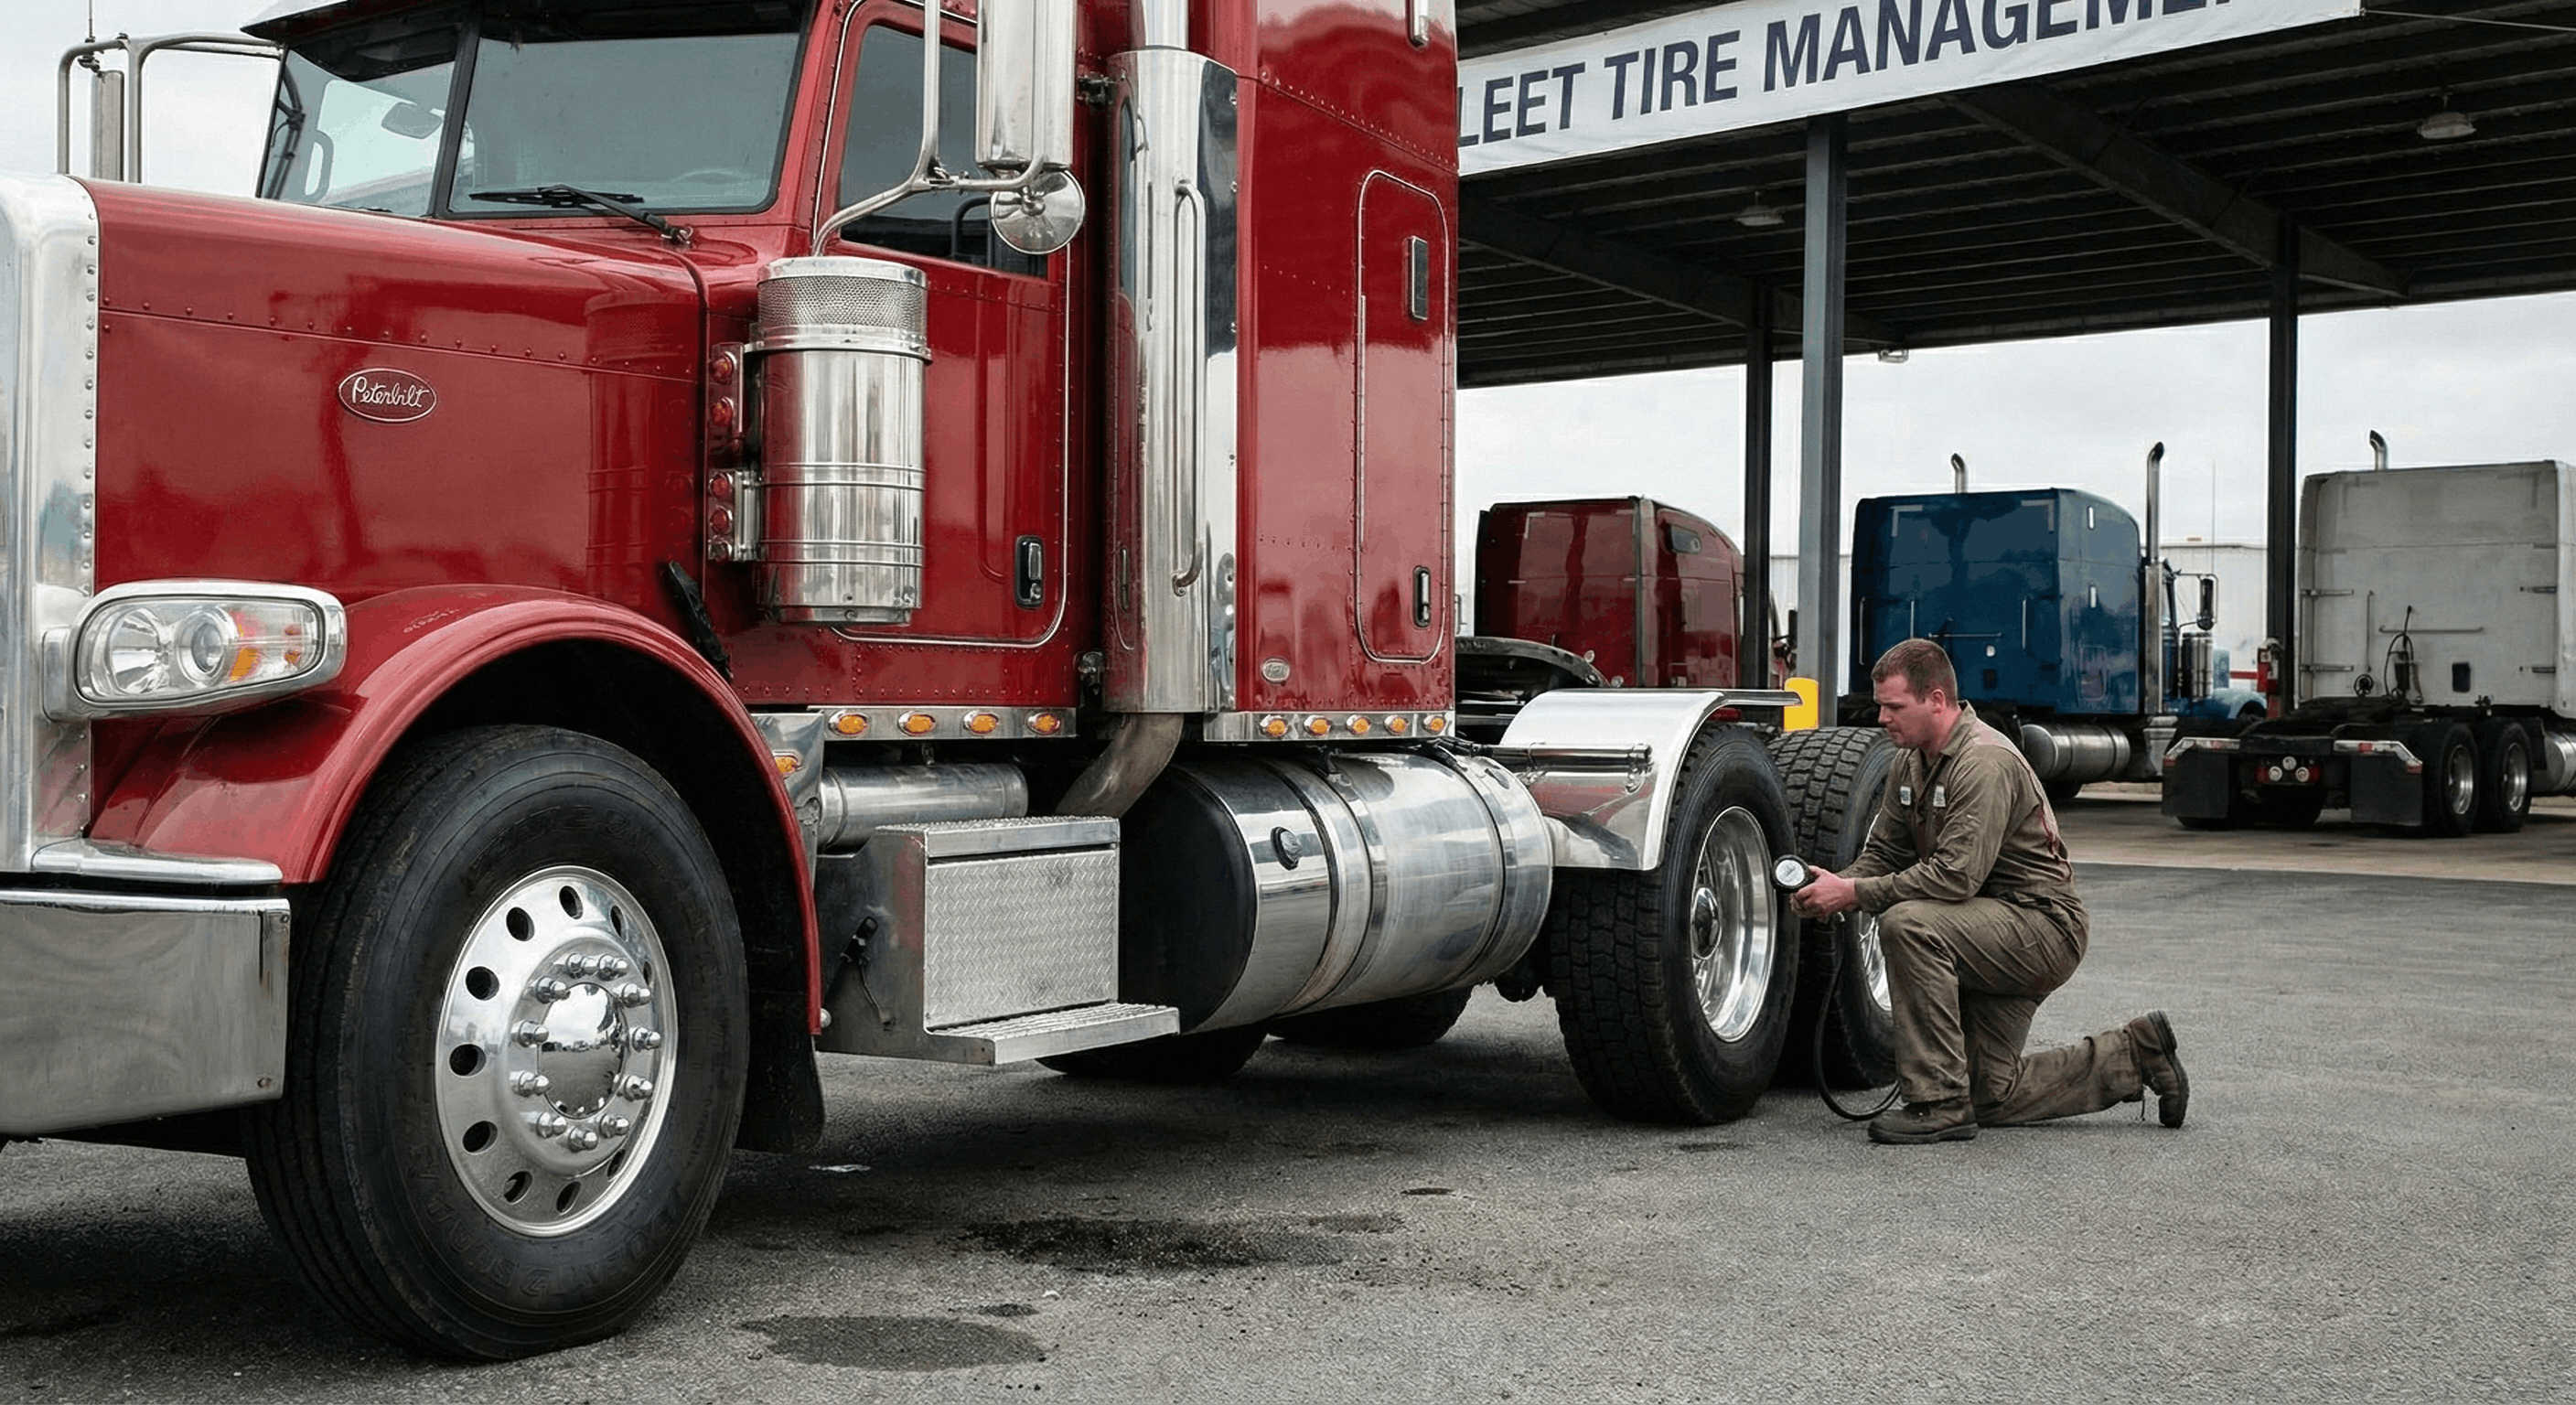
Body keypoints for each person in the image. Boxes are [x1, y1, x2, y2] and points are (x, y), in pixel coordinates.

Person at [1789, 638, 2191, 1144]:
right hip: (1985, 930)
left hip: (2041, 929)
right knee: (1988, 1095)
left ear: (1936, 700)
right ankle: (2135, 1055)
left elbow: (1955, 878)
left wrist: (1856, 894)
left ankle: (1936, 1100)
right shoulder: (1910, 764)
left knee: (1909, 924)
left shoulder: (1983, 762)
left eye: (1894, 707)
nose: (1881, 719)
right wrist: (1834, 884)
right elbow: (1886, 855)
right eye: (1880, 707)